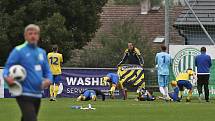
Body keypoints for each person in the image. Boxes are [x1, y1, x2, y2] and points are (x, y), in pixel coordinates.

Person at [3, 24, 53, 121]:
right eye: (30, 34)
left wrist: (48, 80)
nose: (33, 36)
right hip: (23, 93)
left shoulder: (41, 52)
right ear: (25, 36)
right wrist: (6, 76)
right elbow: (7, 68)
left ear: (38, 36)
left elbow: (47, 72)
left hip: (37, 93)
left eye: (35, 33)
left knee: (26, 119)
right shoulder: (18, 50)